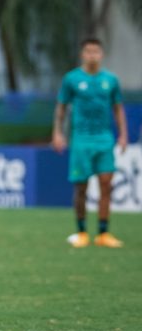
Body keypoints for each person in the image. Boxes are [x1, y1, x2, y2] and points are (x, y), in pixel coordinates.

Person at [52, 38, 127, 248]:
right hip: (81, 140)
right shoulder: (71, 79)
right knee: (81, 188)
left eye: (96, 51)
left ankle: (103, 233)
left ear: (101, 54)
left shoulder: (110, 80)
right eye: (88, 51)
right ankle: (82, 231)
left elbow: (118, 108)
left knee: (106, 185)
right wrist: (57, 133)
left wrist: (123, 135)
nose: (92, 55)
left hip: (104, 138)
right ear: (82, 54)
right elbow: (61, 107)